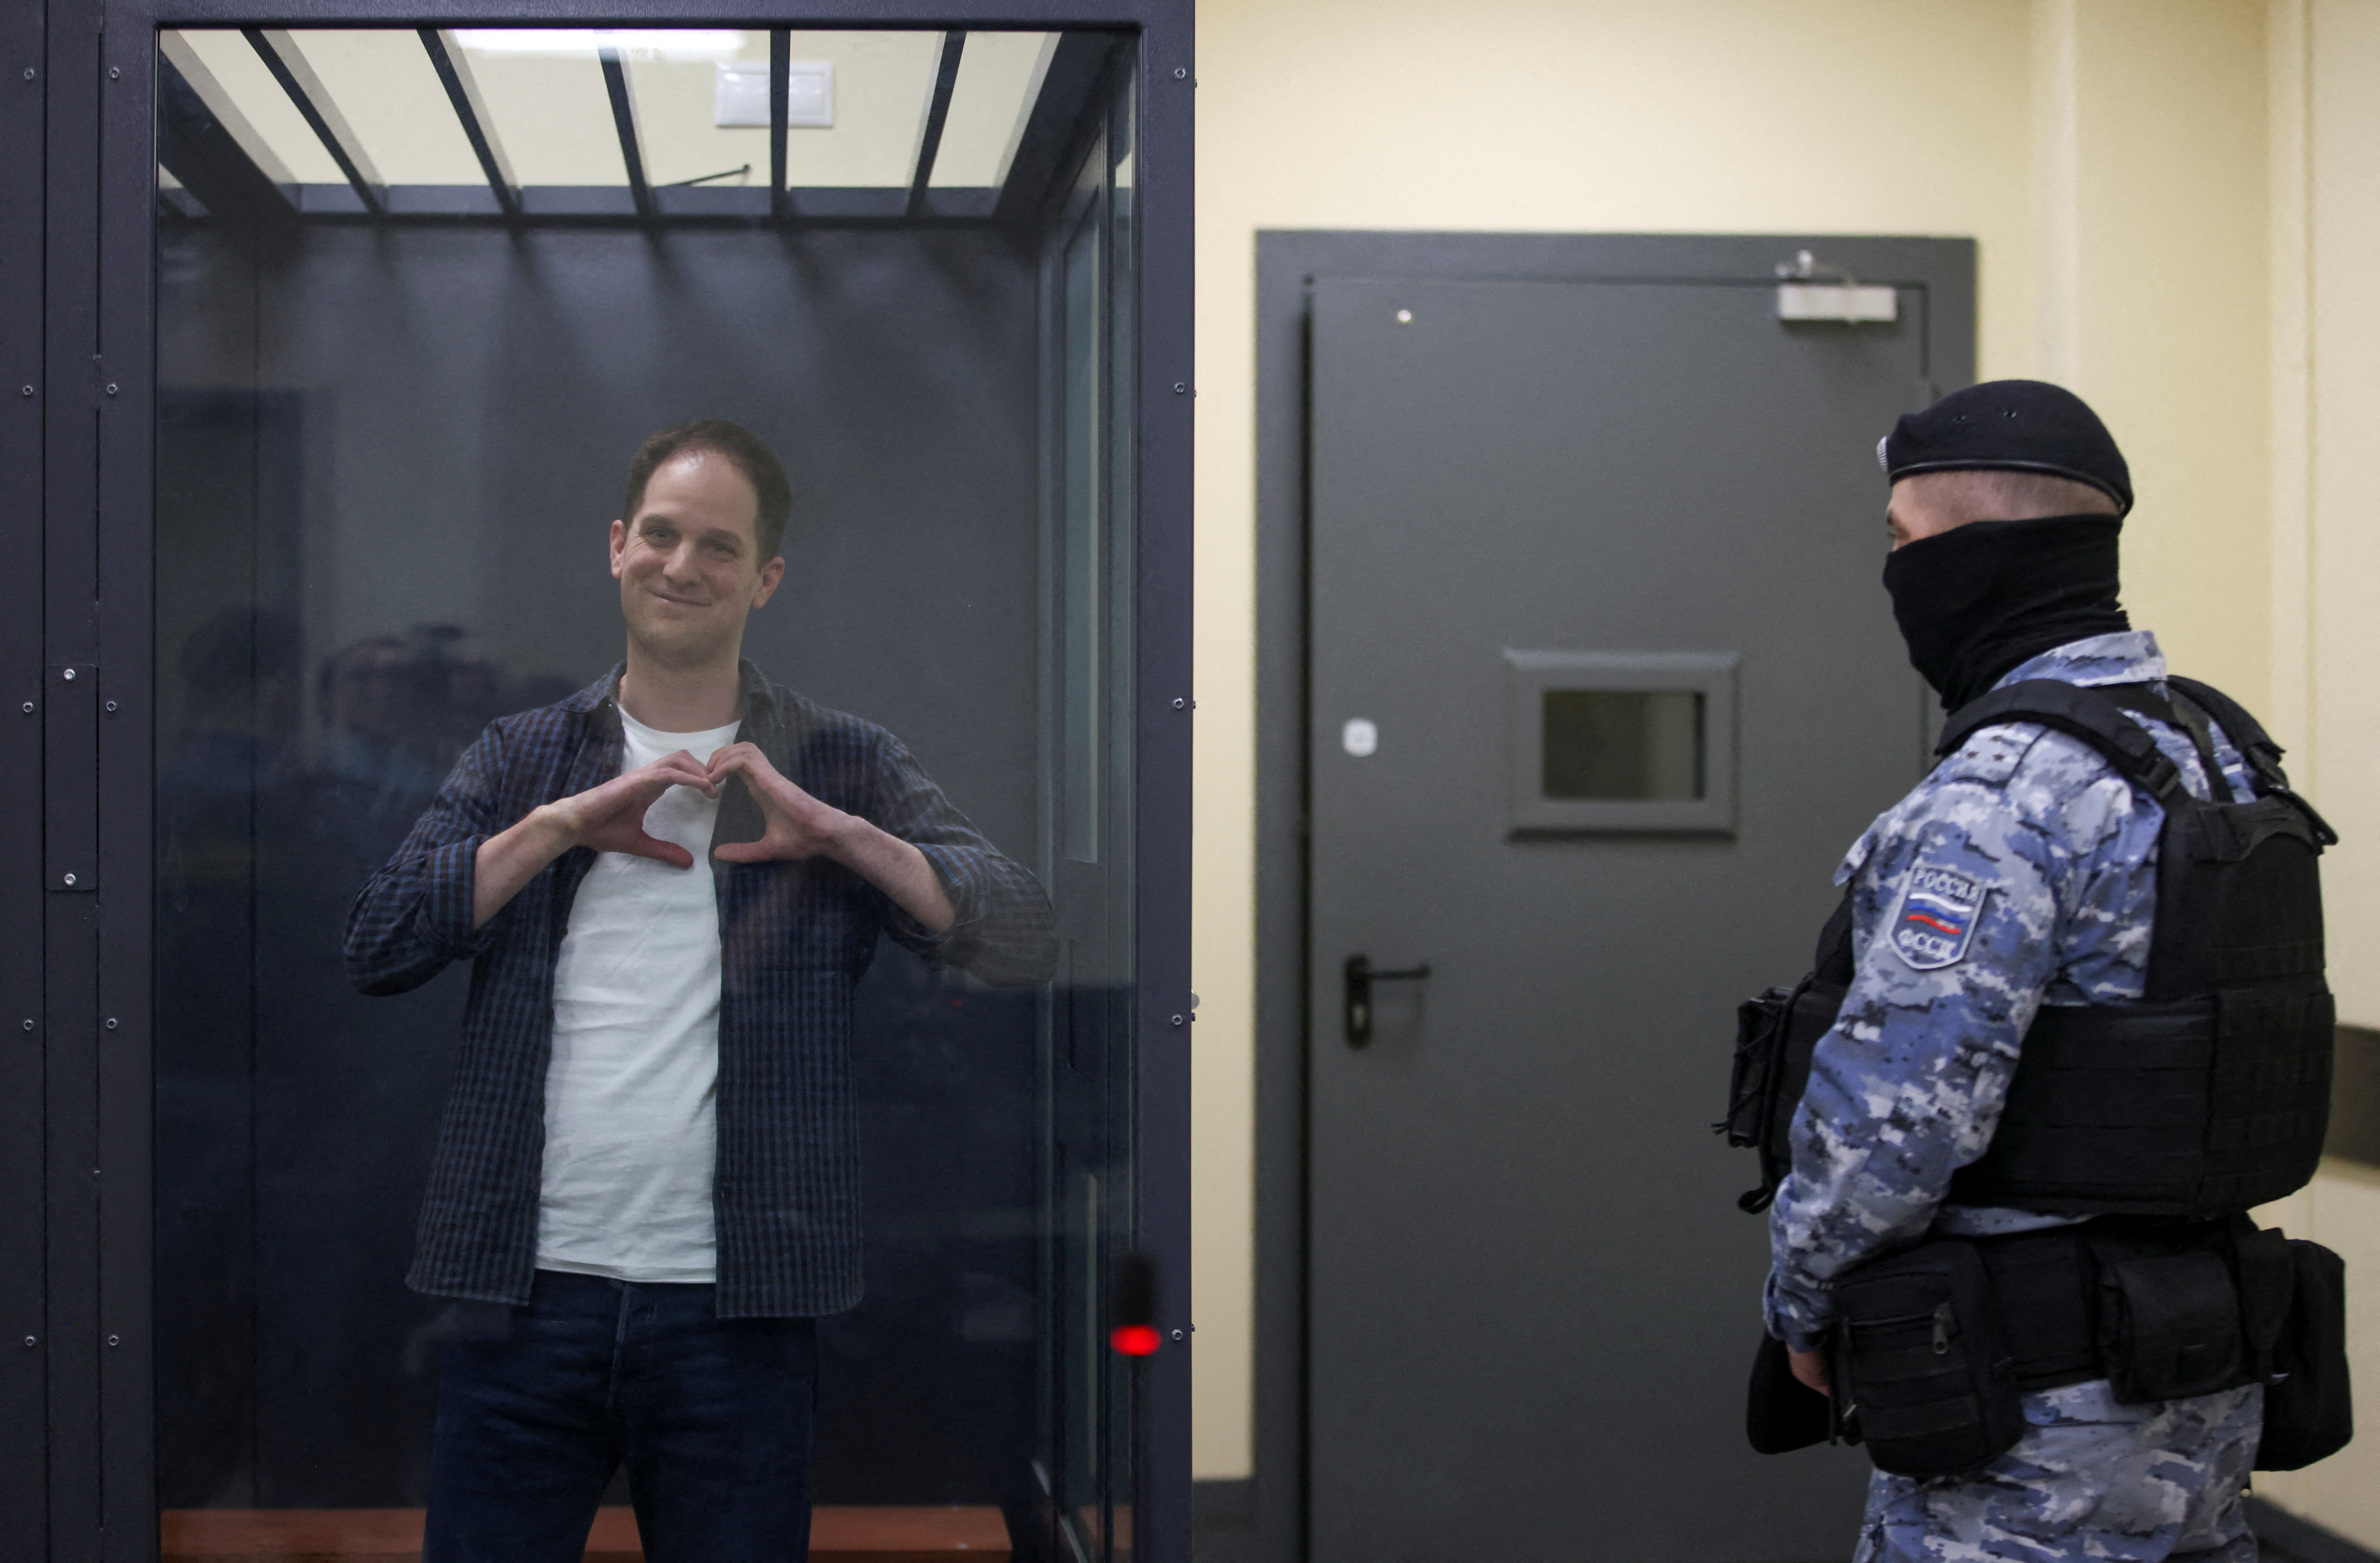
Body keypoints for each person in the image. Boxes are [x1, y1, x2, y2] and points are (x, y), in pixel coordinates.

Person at [345, 418, 1056, 1563]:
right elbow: (378, 944)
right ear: (617, 545)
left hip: (738, 1310)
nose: (683, 565)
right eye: (662, 534)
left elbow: (1024, 937)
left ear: (765, 577)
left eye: (720, 546)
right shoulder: (525, 755)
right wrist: (556, 828)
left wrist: (843, 836)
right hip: (523, 1291)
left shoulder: (838, 758)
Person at [1759, 381, 2334, 1561]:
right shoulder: (2219, 755)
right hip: (2205, 1384)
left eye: (1903, 540)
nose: (1895, 573)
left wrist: (1801, 1302)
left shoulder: (2002, 792)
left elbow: (1894, 1122)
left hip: (2035, 1425)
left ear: (1969, 556)